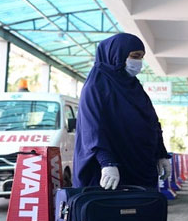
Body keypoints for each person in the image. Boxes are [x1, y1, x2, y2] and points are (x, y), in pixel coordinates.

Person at [73, 33, 172, 189]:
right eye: (135, 56)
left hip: (141, 167)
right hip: (109, 173)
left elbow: (151, 122)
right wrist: (107, 162)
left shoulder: (135, 87)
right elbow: (91, 128)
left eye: (141, 57)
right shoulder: (96, 87)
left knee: (143, 210)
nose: (138, 62)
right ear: (116, 55)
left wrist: (161, 153)